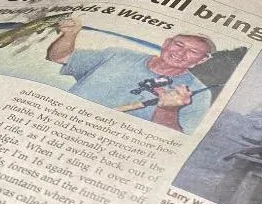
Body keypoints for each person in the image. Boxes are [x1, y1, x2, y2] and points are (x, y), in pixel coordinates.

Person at [46, 19, 215, 133]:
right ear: (166, 43)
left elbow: (171, 142)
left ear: (202, 60)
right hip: (60, 123)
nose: (182, 53)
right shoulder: (118, 54)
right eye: (179, 45)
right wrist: (70, 35)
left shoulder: (198, 93)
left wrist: (167, 111)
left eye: (193, 52)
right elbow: (59, 57)